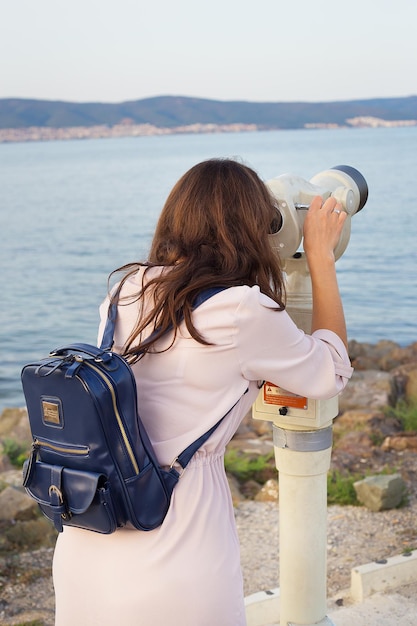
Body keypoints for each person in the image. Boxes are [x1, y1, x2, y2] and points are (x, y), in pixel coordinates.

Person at [52, 158, 353, 626]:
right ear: (254, 229)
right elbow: (329, 371)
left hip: (90, 532)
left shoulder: (127, 290)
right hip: (176, 542)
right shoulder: (241, 311)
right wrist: (320, 259)